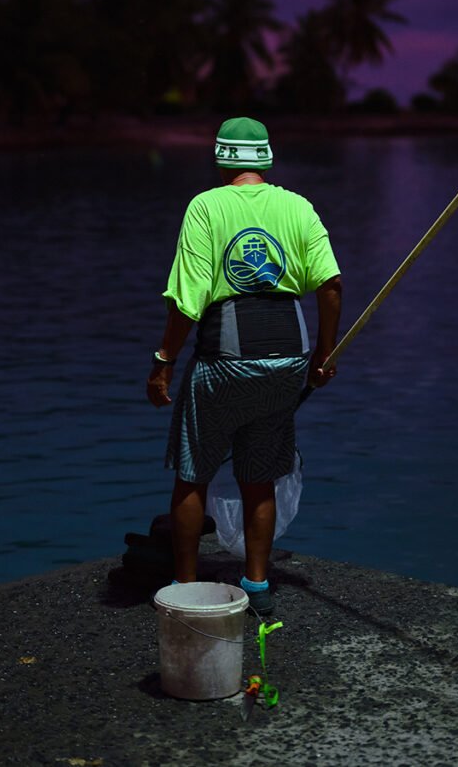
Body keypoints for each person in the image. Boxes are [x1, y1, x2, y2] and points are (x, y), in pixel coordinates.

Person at [146, 117, 341, 614]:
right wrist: (323, 357)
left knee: (193, 475)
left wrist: (163, 361)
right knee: (260, 476)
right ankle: (256, 586)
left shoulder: (206, 207)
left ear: (221, 159)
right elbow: (331, 285)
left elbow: (187, 302)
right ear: (266, 159)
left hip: (225, 360)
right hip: (286, 361)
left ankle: (186, 589)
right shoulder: (297, 206)